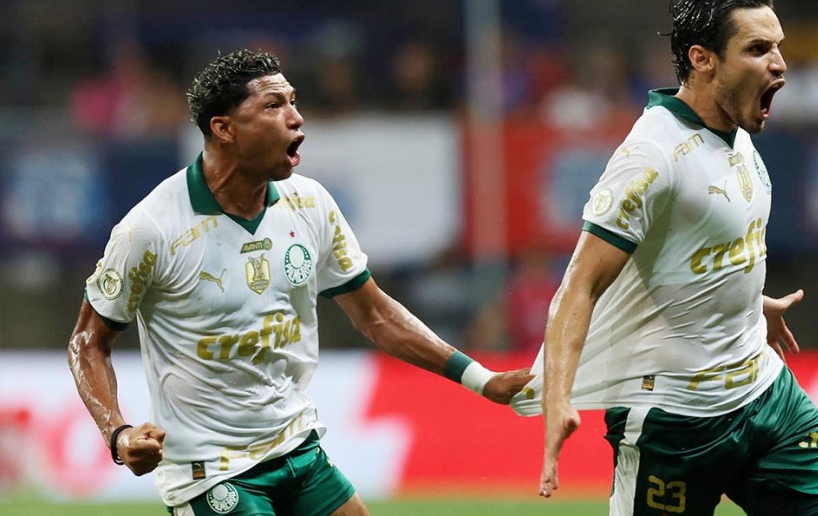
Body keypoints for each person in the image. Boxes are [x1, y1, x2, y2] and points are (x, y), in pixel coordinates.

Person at [67, 49, 531, 516]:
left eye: (293, 101)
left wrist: (482, 379)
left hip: (297, 447)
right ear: (224, 128)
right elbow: (88, 341)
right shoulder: (150, 228)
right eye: (273, 106)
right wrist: (119, 434)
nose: (296, 117)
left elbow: (375, 314)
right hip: (210, 471)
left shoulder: (309, 203)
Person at [510, 0, 818, 516]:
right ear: (703, 59)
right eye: (757, 49)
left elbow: (694, 249)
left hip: (766, 398)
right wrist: (558, 397)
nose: (779, 64)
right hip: (674, 424)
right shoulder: (651, 157)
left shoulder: (735, 130)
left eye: (778, 47)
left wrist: (748, 301)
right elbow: (579, 286)